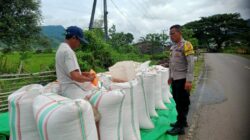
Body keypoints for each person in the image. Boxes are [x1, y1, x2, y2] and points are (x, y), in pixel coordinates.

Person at [166, 25, 194, 135]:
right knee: (178, 102)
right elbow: (171, 64)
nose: (171, 36)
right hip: (175, 79)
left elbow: (191, 63)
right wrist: (170, 77)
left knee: (182, 103)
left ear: (179, 33)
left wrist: (189, 80)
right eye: (170, 34)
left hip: (183, 79)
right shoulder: (173, 47)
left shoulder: (186, 45)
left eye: (173, 33)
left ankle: (180, 127)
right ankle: (182, 121)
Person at [55, 26, 95, 99]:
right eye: (79, 41)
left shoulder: (61, 49)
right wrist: (90, 79)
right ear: (73, 37)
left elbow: (68, 72)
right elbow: (76, 77)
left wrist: (83, 73)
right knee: (92, 100)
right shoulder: (68, 52)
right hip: (72, 90)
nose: (79, 44)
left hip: (65, 88)